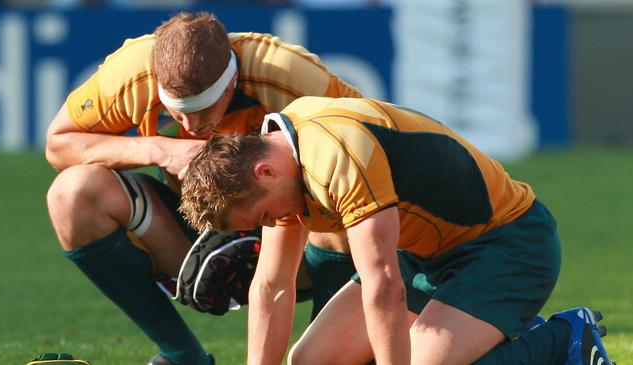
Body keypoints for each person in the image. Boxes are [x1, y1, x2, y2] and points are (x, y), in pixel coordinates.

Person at [180, 96, 615, 365]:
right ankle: (482, 327)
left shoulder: (336, 156)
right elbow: (272, 287)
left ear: (265, 172)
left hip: (509, 243)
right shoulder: (278, 156)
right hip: (426, 253)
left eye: (262, 217)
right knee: (311, 360)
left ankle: (565, 336)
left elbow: (384, 286)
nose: (272, 225)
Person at [45, 12, 361, 365]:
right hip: (192, 237)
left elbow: (365, 156)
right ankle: (183, 358)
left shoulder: (287, 75)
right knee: (71, 194)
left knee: (343, 199)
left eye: (201, 109)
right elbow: (58, 144)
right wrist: (157, 148)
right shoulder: (133, 73)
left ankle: (334, 353)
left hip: (294, 246)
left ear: (230, 84)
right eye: (176, 113)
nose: (192, 126)